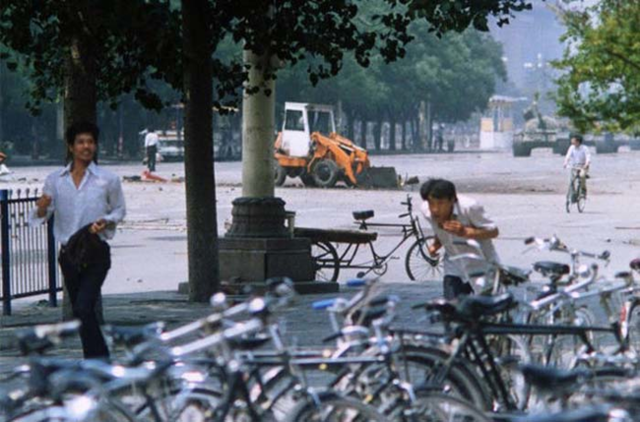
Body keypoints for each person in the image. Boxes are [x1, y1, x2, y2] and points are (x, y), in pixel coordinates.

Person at [30, 121, 126, 359]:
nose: (86, 147)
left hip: (96, 253)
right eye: (81, 142)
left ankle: (100, 360)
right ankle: (93, 360)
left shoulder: (108, 179)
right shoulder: (56, 180)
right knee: (80, 312)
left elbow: (119, 210)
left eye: (90, 142)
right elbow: (41, 216)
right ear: (71, 146)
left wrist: (106, 220)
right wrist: (41, 208)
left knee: (84, 306)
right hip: (69, 255)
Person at [420, 179, 500, 300]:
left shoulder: (470, 207)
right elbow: (439, 231)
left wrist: (466, 232)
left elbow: (493, 231)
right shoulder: (426, 211)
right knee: (453, 310)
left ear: (452, 200)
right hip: (454, 267)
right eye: (431, 203)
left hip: (482, 266)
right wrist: (436, 244)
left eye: (440, 203)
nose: (435, 209)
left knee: (487, 311)